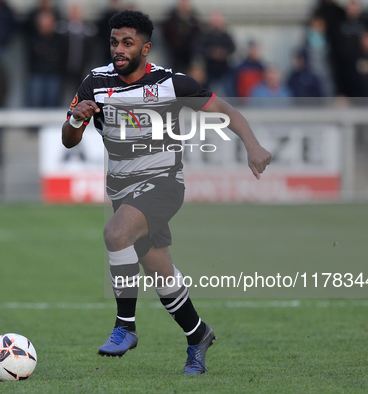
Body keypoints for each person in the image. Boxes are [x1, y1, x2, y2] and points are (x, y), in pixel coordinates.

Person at [61, 10, 271, 375]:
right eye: (114, 42)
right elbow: (69, 139)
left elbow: (226, 111)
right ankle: (198, 334)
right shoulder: (94, 82)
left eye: (128, 42)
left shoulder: (171, 83)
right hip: (122, 189)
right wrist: (77, 117)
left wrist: (253, 146)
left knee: (116, 234)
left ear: (146, 47)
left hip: (163, 183)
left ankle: (125, 326)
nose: (119, 49)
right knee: (160, 270)